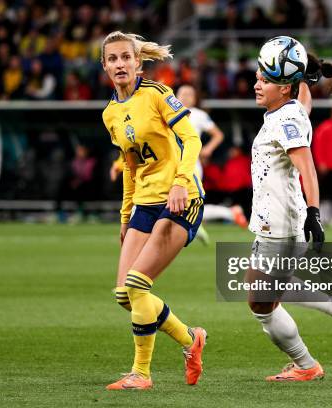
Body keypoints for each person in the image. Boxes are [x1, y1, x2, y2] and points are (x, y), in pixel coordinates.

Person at [247, 39, 332, 382]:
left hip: (280, 226)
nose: (256, 84)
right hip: (277, 222)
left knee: (261, 306)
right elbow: (305, 100)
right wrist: (304, 78)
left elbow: (308, 168)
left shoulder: (285, 121)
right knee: (269, 289)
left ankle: (305, 365)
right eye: (257, 76)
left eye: (265, 81)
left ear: (283, 88)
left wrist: (316, 213)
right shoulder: (293, 108)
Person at [100, 31, 207, 390]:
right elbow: (130, 167)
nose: (119, 64)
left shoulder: (159, 94)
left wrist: (180, 181)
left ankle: (141, 374)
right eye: (112, 59)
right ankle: (191, 340)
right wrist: (125, 215)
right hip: (144, 204)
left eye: (125, 58)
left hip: (182, 198)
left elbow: (192, 139)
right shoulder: (111, 113)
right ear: (105, 66)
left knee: (136, 284)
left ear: (137, 62)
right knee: (123, 295)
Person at [175, 83, 226, 242]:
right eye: (182, 93)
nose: (185, 96)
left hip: (191, 164)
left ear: (195, 98)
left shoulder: (198, 115)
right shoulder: (168, 112)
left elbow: (218, 135)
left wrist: (208, 149)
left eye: (189, 94)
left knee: (191, 199)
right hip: (172, 163)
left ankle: (196, 225)